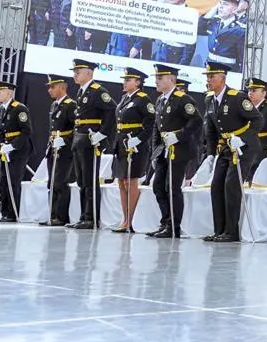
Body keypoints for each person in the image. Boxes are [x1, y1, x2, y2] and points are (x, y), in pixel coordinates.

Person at [202, 63, 261, 242]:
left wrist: (242, 137)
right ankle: (219, 230)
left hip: (244, 148)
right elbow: (211, 130)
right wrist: (210, 154)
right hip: (226, 148)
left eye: (212, 76)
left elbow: (258, 120)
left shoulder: (237, 97)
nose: (209, 79)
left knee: (231, 187)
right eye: (208, 76)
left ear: (223, 78)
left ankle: (231, 231)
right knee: (216, 187)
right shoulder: (209, 99)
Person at [148, 64, 202, 238]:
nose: (156, 81)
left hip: (180, 150)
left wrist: (179, 136)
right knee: (158, 187)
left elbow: (196, 121)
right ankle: (165, 222)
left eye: (160, 78)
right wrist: (155, 151)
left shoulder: (182, 99)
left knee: (172, 188)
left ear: (171, 79)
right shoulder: (160, 100)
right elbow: (157, 127)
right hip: (164, 150)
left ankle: (174, 226)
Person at [67, 59, 116, 230]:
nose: (75, 74)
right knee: (81, 180)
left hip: (90, 141)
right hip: (79, 139)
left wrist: (102, 133)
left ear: (88, 73)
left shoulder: (97, 91)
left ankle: (91, 217)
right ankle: (83, 216)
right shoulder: (81, 92)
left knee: (89, 180)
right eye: (75, 71)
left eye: (78, 72)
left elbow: (112, 111)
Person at [111, 67, 155, 233]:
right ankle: (125, 218)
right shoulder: (124, 99)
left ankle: (131, 219)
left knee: (131, 181)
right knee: (121, 181)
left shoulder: (143, 99)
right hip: (122, 143)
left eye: (128, 80)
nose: (124, 82)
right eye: (125, 79)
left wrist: (139, 138)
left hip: (136, 145)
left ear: (138, 82)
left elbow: (151, 123)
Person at [0, 81, 33, 222]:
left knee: (14, 180)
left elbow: (26, 131)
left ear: (9, 93)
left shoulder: (19, 108)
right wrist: (1, 150)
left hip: (19, 149)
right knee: (4, 180)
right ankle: (4, 212)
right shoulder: (4, 109)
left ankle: (13, 213)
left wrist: (13, 146)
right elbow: (3, 132)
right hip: (6, 149)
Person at [41, 75, 76, 226]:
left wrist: (65, 141)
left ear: (62, 87)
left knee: (61, 183)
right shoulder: (54, 105)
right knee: (52, 182)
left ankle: (61, 217)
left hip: (65, 149)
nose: (50, 90)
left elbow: (77, 128)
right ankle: (52, 214)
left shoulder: (71, 105)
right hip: (53, 146)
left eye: (52, 87)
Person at [152, 0, 196, 65]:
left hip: (175, 53)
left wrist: (183, 64)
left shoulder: (189, 15)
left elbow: (190, 46)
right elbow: (153, 8)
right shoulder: (167, 9)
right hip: (161, 49)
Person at [205, 0, 247, 69]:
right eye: (220, 3)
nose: (220, 7)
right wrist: (214, 9)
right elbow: (200, 27)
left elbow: (242, 58)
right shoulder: (214, 23)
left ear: (234, 9)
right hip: (209, 63)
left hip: (227, 67)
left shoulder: (240, 30)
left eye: (225, 4)